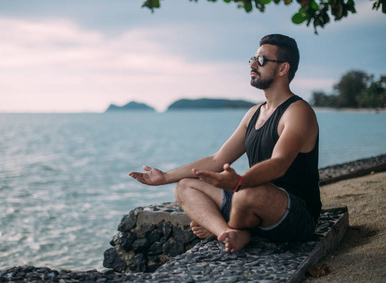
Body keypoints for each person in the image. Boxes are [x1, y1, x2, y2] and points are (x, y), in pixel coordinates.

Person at [129, 34, 321, 253]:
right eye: (253, 58)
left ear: (283, 69)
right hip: (248, 203)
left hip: (294, 213)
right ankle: (229, 232)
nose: (252, 64)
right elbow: (218, 159)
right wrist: (165, 177)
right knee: (185, 186)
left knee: (248, 192)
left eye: (261, 60)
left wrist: (239, 181)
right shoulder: (254, 113)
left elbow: (279, 163)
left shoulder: (298, 111)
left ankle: (238, 228)